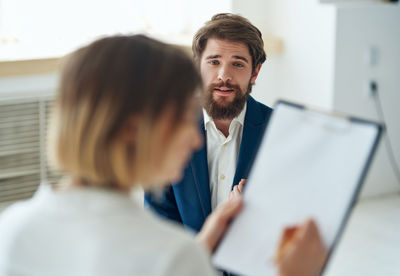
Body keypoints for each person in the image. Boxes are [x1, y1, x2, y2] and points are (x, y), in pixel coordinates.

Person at [0, 35, 326, 276]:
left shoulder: (12, 229)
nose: (194, 139)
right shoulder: (171, 257)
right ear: (133, 129)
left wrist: (206, 238)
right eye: (182, 117)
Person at [145, 13, 273, 233]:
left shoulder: (279, 129)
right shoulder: (166, 127)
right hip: (186, 263)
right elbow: (158, 220)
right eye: (214, 62)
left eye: (238, 64)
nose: (224, 75)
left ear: (255, 72)